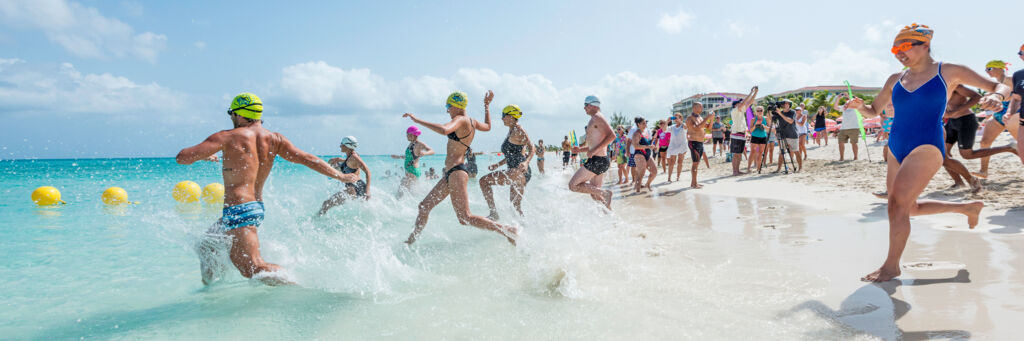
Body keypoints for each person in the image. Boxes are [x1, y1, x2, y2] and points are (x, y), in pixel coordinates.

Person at [849, 24, 1000, 282]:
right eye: (895, 48)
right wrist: (860, 107)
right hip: (897, 146)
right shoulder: (895, 79)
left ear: (925, 45)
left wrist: (997, 96)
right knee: (906, 208)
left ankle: (891, 267)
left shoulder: (948, 71)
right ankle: (967, 208)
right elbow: (874, 111)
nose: (898, 53)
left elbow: (997, 85)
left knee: (898, 206)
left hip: (927, 145)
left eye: (905, 46)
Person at [179, 93, 359, 285]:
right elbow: (307, 158)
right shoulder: (274, 139)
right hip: (253, 208)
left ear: (240, 114)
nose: (231, 118)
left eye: (231, 114)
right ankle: (210, 293)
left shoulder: (227, 137)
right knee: (207, 244)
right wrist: (340, 176)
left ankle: (301, 286)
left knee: (252, 268)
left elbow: (182, 157)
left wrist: (203, 154)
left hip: (239, 210)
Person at [403, 90, 518, 245]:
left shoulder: (460, 119)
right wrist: (486, 106)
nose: (447, 110)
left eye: (448, 106)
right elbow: (488, 126)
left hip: (457, 172)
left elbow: (444, 130)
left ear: (457, 105)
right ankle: (411, 241)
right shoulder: (472, 121)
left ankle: (506, 229)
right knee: (424, 206)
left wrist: (417, 120)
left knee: (465, 217)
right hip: (452, 173)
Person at [941, 85, 1016, 189]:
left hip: (965, 120)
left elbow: (976, 96)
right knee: (943, 154)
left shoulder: (955, 85)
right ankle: (959, 182)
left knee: (967, 155)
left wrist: (955, 111)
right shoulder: (935, 86)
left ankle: (1009, 148)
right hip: (951, 121)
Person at [480, 105, 534, 220]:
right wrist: (497, 165)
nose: (502, 118)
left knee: (483, 181)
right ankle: (526, 228)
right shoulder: (511, 131)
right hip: (518, 171)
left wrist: (527, 162)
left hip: (519, 170)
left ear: (510, 116)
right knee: (515, 206)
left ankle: (493, 213)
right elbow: (512, 155)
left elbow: (532, 147)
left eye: (503, 116)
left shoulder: (519, 130)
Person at [567, 95, 615, 208]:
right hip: (600, 160)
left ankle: (605, 193)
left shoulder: (597, 117)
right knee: (595, 196)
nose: (584, 108)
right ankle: (610, 219)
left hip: (598, 160)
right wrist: (580, 150)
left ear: (593, 105)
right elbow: (595, 144)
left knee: (573, 185)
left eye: (585, 105)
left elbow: (612, 136)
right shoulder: (595, 119)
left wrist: (594, 150)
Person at [978, 59, 1021, 175]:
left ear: (1000, 68)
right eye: (986, 69)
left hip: (1012, 113)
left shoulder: (1010, 79)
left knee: (1021, 144)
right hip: (998, 115)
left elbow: (1018, 96)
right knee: (984, 142)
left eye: (989, 68)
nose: (987, 72)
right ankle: (983, 171)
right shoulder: (993, 85)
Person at [318, 136, 371, 215]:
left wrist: (367, 191)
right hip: (355, 187)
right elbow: (351, 164)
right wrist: (340, 160)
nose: (340, 146)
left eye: (342, 144)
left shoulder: (354, 157)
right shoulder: (351, 156)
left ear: (347, 146)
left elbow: (368, 171)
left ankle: (317, 220)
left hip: (354, 189)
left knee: (326, 204)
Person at [390, 126, 434, 198]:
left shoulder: (418, 144)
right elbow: (409, 157)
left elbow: (432, 151)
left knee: (400, 192)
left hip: (412, 171)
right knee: (411, 193)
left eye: (407, 134)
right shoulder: (411, 144)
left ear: (413, 134)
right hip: (410, 171)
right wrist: (398, 157)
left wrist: (425, 153)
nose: (406, 136)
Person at [685, 103, 717, 188]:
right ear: (694, 107)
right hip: (693, 142)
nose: (702, 108)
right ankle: (694, 184)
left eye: (702, 106)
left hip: (700, 142)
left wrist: (712, 118)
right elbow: (697, 128)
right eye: (700, 106)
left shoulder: (700, 118)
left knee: (697, 163)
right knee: (695, 163)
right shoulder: (689, 118)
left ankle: (694, 183)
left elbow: (709, 128)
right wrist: (707, 117)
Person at [730, 86, 758, 175]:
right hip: (736, 134)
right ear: (735, 105)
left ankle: (737, 170)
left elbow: (749, 102)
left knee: (739, 154)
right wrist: (750, 92)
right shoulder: (734, 110)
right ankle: (735, 171)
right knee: (736, 154)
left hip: (741, 134)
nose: (741, 104)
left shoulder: (741, 112)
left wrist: (755, 93)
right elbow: (745, 102)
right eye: (739, 103)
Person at [772, 100, 802, 172]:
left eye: (786, 103)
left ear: (789, 105)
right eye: (783, 103)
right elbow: (772, 120)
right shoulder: (780, 112)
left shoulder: (792, 112)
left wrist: (780, 113)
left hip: (792, 134)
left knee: (796, 151)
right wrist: (771, 111)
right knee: (781, 153)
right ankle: (778, 169)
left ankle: (800, 168)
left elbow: (790, 121)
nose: (785, 105)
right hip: (783, 135)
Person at [631, 117, 658, 192]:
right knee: (641, 174)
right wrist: (648, 146)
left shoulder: (646, 132)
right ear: (638, 124)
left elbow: (647, 143)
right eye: (643, 123)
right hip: (639, 154)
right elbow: (635, 145)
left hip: (647, 154)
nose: (645, 125)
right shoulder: (636, 133)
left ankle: (647, 184)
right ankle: (637, 192)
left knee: (654, 172)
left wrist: (653, 146)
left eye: (645, 123)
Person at [833, 94, 861, 161]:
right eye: (846, 100)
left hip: (854, 127)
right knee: (840, 142)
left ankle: (855, 157)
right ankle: (841, 157)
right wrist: (838, 98)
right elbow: (835, 107)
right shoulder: (844, 107)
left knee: (854, 143)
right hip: (844, 128)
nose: (847, 100)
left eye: (848, 100)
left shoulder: (856, 107)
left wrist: (849, 96)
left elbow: (856, 102)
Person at [665, 114, 688, 182]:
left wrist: (680, 121)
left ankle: (678, 177)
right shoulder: (672, 126)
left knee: (680, 162)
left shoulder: (683, 125)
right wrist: (667, 121)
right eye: (674, 118)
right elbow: (665, 130)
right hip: (673, 146)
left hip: (682, 145)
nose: (675, 119)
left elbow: (686, 127)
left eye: (676, 117)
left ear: (681, 118)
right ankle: (669, 178)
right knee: (672, 162)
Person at [747, 105, 770, 172]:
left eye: (761, 110)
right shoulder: (753, 119)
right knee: (753, 152)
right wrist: (755, 125)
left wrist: (765, 127)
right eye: (758, 110)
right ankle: (748, 168)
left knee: (760, 153)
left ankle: (758, 168)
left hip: (763, 137)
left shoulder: (766, 119)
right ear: (755, 112)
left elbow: (769, 129)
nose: (759, 112)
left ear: (763, 111)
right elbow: (750, 130)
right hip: (755, 136)